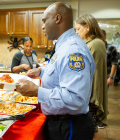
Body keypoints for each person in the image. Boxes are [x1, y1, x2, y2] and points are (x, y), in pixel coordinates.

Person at [16, 2, 95, 140]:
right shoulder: (63, 45)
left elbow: (75, 98)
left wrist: (37, 91)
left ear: (57, 18)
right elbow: (61, 73)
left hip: (69, 126)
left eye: (44, 21)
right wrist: (41, 72)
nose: (42, 26)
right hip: (61, 123)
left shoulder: (73, 50)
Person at [75, 14, 108, 130]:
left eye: (78, 29)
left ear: (87, 27)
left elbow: (95, 74)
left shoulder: (95, 44)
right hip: (90, 91)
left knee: (89, 130)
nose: (77, 32)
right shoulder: (93, 43)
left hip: (92, 94)